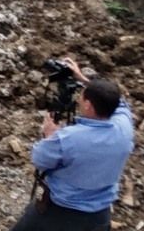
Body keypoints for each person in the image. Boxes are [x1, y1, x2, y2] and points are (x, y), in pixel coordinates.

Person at [11, 59, 135, 231]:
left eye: (82, 95)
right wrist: (83, 78)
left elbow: (40, 160)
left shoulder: (69, 138)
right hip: (99, 215)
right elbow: (119, 102)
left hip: (62, 211)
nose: (78, 98)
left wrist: (49, 136)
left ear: (88, 105)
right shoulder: (124, 126)